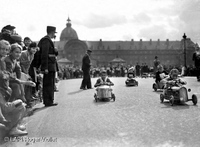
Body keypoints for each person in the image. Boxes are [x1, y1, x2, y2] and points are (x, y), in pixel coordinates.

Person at [0, 40, 28, 137]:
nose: (4, 51)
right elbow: (5, 76)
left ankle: (13, 126)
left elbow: (13, 73)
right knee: (19, 105)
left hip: (4, 89)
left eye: (6, 50)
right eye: (2, 49)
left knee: (20, 103)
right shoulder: (4, 61)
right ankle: (11, 128)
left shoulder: (4, 61)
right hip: (3, 90)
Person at [38, 26, 58, 107]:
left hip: (51, 65)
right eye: (54, 33)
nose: (54, 35)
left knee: (51, 83)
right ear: (52, 32)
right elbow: (44, 54)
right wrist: (45, 67)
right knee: (48, 84)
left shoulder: (48, 40)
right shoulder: (46, 40)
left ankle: (50, 100)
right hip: (49, 66)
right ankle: (48, 101)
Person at [19, 42, 38, 107]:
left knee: (29, 82)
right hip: (19, 70)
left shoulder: (32, 55)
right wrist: (25, 73)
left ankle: (28, 99)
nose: (34, 50)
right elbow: (21, 64)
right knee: (24, 85)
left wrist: (27, 74)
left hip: (25, 71)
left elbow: (28, 65)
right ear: (29, 48)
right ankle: (25, 101)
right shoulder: (24, 53)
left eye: (35, 49)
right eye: (33, 48)